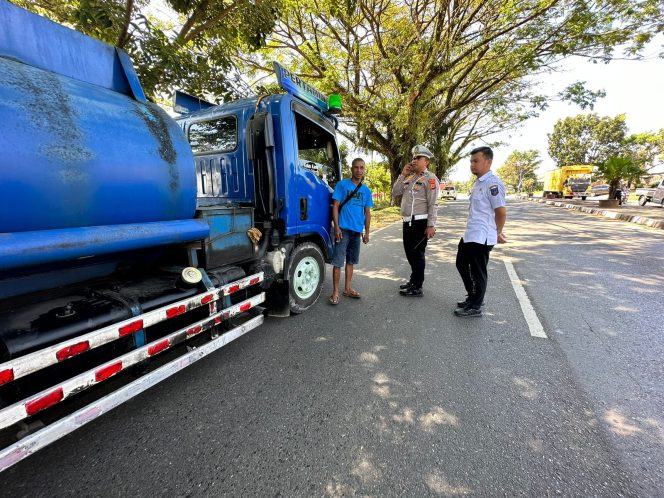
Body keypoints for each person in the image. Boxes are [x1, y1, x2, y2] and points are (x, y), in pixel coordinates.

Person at [454, 146, 507, 317]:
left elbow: (501, 212)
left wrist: (497, 232)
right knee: (461, 264)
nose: (472, 164)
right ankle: (473, 296)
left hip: (482, 236)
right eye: (471, 161)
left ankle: (475, 306)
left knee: (478, 271)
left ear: (488, 162)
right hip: (471, 233)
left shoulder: (493, 184)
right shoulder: (478, 183)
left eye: (476, 161)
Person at [391, 145, 439, 297]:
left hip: (420, 223)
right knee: (410, 253)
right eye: (413, 158)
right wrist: (402, 175)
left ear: (427, 162)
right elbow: (395, 192)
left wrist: (431, 225)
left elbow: (433, 203)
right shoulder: (410, 178)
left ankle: (417, 286)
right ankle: (413, 281)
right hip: (407, 222)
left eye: (418, 158)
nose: (415, 160)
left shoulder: (430, 179)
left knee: (417, 254)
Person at [328, 158, 373, 305]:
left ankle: (347, 289)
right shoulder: (342, 185)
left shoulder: (366, 190)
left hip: (356, 231)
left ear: (364, 169)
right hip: (343, 229)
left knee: (351, 261)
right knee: (338, 262)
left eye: (362, 168)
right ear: (351, 169)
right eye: (356, 168)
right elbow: (335, 206)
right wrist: (337, 227)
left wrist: (367, 232)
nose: (359, 170)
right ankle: (335, 291)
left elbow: (367, 213)